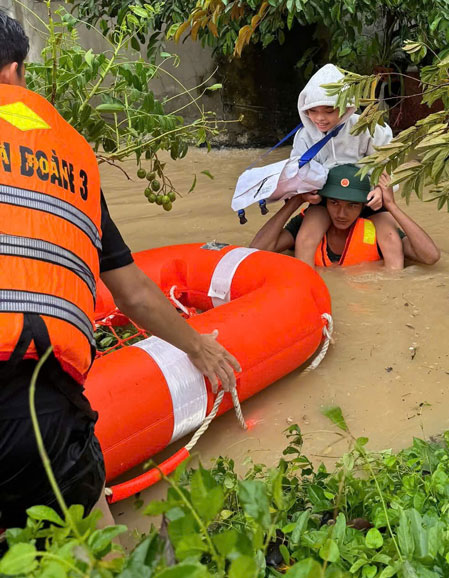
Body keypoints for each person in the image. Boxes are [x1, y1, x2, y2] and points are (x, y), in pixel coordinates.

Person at [0, 11, 240, 531]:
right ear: (15, 73)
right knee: (97, 551)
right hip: (31, 406)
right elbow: (131, 292)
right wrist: (199, 346)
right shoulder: (65, 156)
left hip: (24, 396)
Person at [275, 64, 406, 268]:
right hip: (328, 199)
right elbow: (298, 173)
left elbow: (386, 164)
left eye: (329, 111)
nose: (320, 118)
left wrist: (380, 191)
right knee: (305, 239)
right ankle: (307, 287)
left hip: (366, 198)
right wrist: (308, 193)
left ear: (347, 106)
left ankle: (395, 291)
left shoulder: (369, 127)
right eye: (312, 111)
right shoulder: (305, 136)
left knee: (392, 242)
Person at [250, 164, 440, 267]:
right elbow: (256, 251)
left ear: (363, 206)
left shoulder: (379, 233)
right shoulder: (308, 225)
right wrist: (295, 201)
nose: (341, 214)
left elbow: (430, 257)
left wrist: (391, 206)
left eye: (352, 205)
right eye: (334, 203)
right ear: (324, 202)